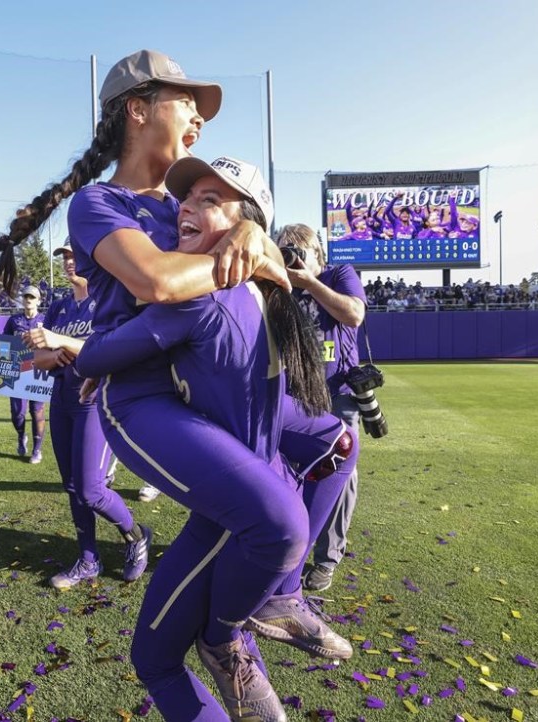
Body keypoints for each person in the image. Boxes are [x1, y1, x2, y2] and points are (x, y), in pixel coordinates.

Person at [0, 50, 294, 721]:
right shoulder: (102, 203)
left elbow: (260, 265)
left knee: (183, 625)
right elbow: (156, 284)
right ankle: (200, 614)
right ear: (138, 108)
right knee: (261, 524)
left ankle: (240, 633)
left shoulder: (189, 200)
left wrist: (245, 227)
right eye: (188, 103)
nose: (199, 121)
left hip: (219, 401)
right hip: (148, 402)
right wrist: (242, 250)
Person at [75, 156, 356, 720]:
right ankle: (271, 603)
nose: (188, 207)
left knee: (156, 659)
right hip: (242, 502)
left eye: (211, 200)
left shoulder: (201, 294)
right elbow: (333, 442)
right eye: (188, 198)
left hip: (236, 517)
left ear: (248, 225)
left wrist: (80, 355)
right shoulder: (263, 298)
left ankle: (230, 633)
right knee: (337, 448)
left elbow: (103, 352)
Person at [23, 241, 150, 588]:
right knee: (72, 487)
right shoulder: (60, 307)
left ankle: (136, 535)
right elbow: (38, 359)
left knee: (91, 489)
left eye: (74, 255)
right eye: (64, 256)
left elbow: (111, 349)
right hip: (62, 398)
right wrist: (55, 352)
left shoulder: (110, 299)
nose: (68, 262)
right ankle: (88, 559)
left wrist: (59, 343)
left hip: (97, 400)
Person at [274, 223, 367, 593]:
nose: (292, 256)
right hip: (295, 394)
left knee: (339, 477)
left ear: (318, 254)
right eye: (285, 250)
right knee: (288, 473)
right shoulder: (280, 288)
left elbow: (354, 314)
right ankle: (288, 549)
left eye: (299, 250)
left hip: (338, 393)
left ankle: (326, 559)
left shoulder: (338, 275)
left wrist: (310, 283)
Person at [2, 285, 46, 463]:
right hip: (17, 372)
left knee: (37, 412)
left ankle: (37, 449)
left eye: (32, 297)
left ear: (39, 301)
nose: (29, 299)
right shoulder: (14, 320)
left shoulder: (46, 319)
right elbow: (3, 342)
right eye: (26, 296)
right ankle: (21, 435)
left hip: (39, 371)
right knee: (17, 414)